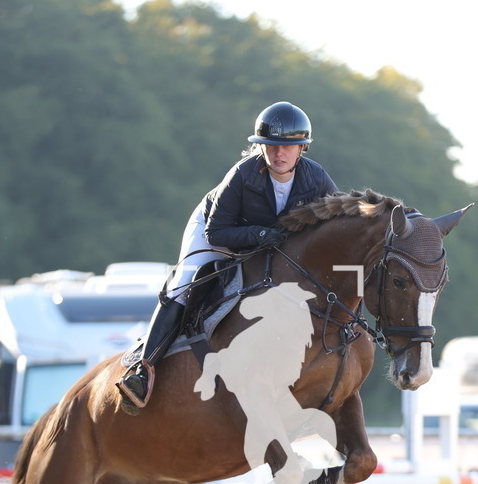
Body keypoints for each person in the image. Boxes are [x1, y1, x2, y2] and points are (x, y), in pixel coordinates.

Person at [116, 101, 338, 414]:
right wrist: (260, 235)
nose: (278, 154)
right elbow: (217, 232)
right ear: (261, 147)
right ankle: (142, 369)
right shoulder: (242, 174)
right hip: (216, 229)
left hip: (269, 245)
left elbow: (336, 224)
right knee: (183, 284)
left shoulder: (316, 180)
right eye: (271, 147)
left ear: (302, 148)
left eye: (287, 148)